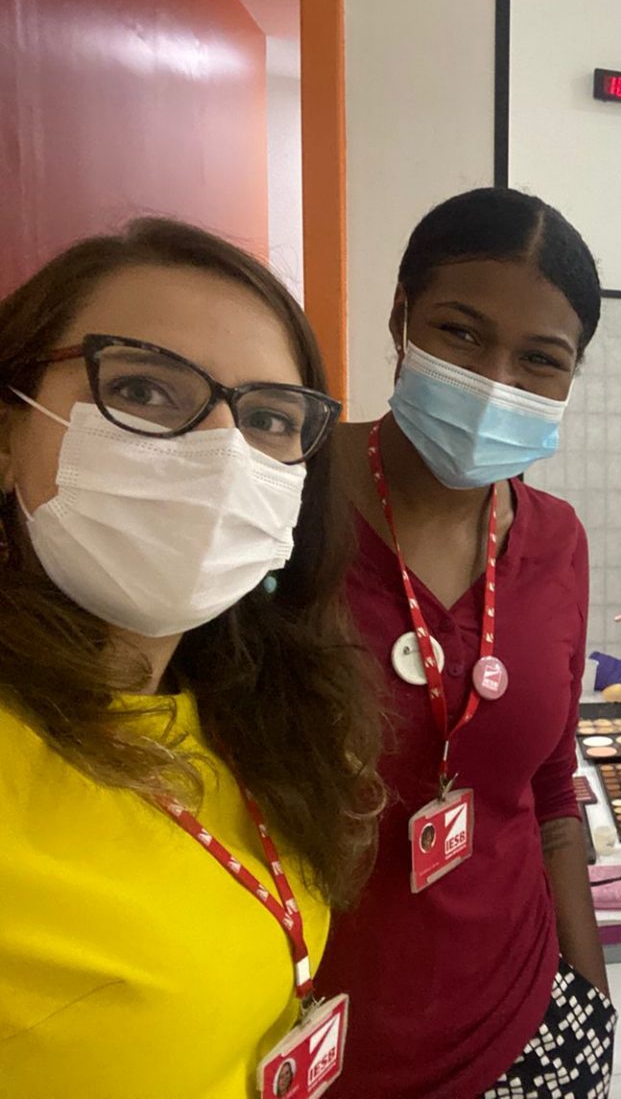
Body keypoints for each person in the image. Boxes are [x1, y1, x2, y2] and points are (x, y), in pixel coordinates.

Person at [0, 219, 382, 1097]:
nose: (219, 449)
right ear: (9, 430)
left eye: (268, 418)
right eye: (142, 389)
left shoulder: (250, 705)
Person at [314, 188, 614, 1098]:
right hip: (309, 1040)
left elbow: (551, 786)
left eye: (541, 360)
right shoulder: (290, 505)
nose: (495, 382)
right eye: (461, 333)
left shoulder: (556, 541)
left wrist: (591, 1003)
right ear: (400, 318)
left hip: (525, 1025)